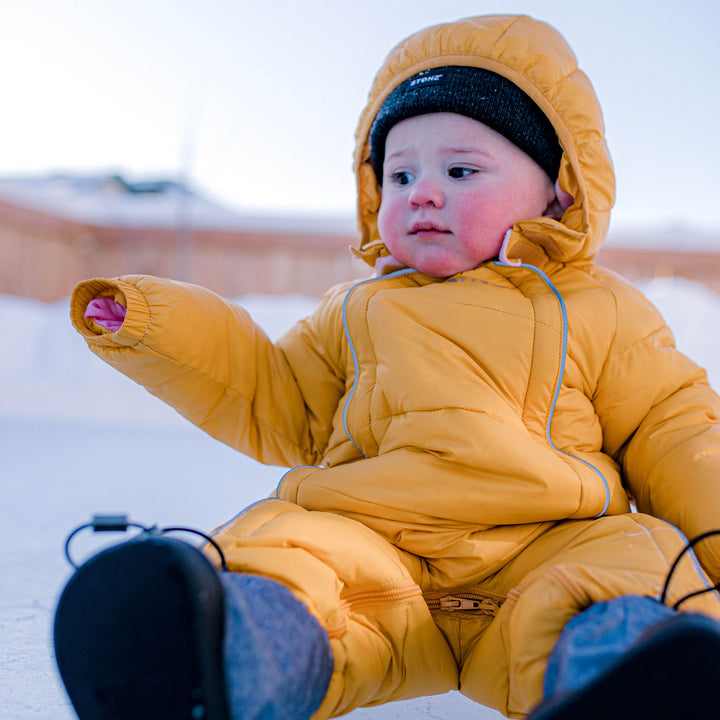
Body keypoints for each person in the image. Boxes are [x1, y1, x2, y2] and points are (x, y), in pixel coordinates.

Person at [54, 13, 720, 720]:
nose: (422, 192)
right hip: (374, 541)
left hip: (551, 541)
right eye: (400, 174)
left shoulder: (601, 309)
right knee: (290, 555)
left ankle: (634, 678)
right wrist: (160, 326)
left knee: (627, 577)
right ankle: (217, 656)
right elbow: (275, 398)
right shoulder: (355, 309)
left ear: (559, 190)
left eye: (460, 171)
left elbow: (676, 432)